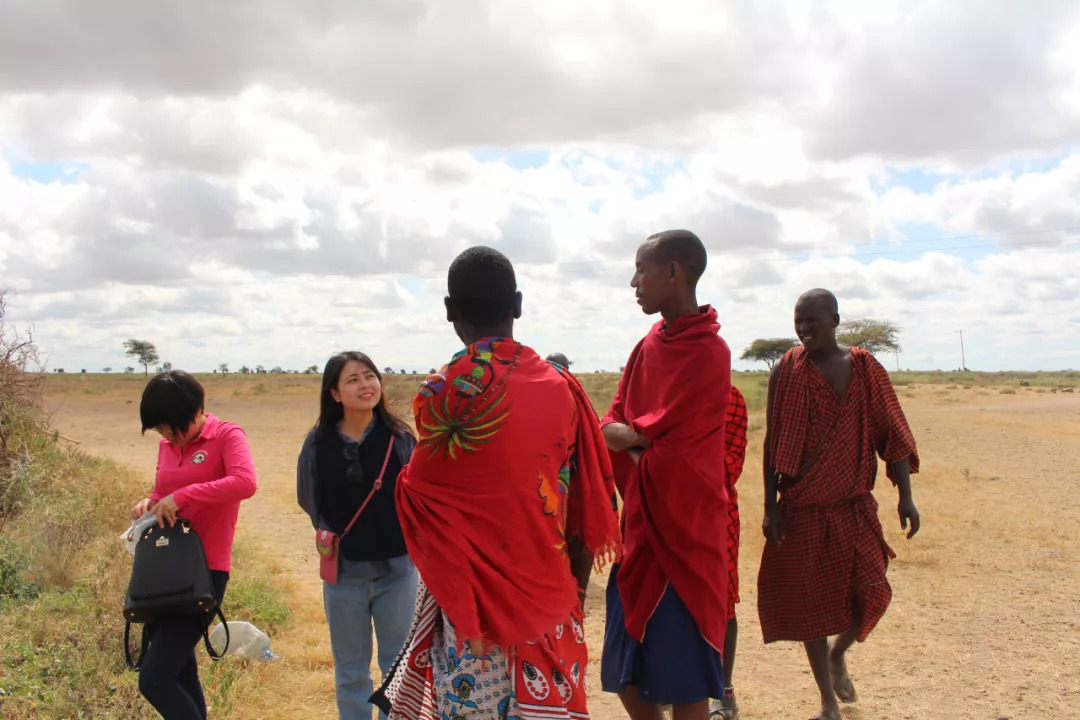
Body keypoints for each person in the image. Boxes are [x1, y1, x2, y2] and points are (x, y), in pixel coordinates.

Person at [373, 246, 621, 720]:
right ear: (518, 304)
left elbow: (419, 493)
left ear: (450, 311)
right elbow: (579, 499)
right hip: (551, 599)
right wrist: (573, 594)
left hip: (476, 616)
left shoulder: (442, 391)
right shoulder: (561, 386)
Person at [757, 289, 921, 720]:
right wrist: (771, 506)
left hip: (852, 505)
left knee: (872, 590)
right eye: (799, 320)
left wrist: (905, 496)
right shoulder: (788, 371)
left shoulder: (865, 368)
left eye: (813, 319)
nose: (804, 327)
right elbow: (772, 444)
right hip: (802, 507)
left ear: (835, 320)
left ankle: (838, 653)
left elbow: (893, 434)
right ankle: (828, 702)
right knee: (811, 607)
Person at [600, 229, 732, 720]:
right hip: (640, 533)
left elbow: (682, 458)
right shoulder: (647, 345)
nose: (634, 281)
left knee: (686, 679)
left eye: (641, 270)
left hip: (687, 535)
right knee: (625, 671)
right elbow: (613, 422)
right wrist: (636, 439)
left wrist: (629, 438)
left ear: (673, 273)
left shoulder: (709, 354)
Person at [297, 352, 419, 720]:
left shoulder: (400, 439)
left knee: (397, 669)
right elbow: (309, 498)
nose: (365, 385)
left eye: (370, 376)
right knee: (351, 672)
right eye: (353, 380)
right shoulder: (317, 443)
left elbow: (416, 500)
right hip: (344, 576)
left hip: (396, 572)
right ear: (334, 393)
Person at [129, 370, 257, 720]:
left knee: (154, 680)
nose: (168, 436)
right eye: (160, 430)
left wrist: (181, 497)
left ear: (197, 408)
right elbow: (161, 494)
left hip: (204, 572)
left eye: (172, 427)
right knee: (180, 673)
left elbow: (245, 483)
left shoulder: (228, 435)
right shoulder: (167, 445)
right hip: (163, 572)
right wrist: (149, 503)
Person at [709, 385, 748, 720]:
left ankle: (724, 690)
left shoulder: (730, 398)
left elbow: (728, 467)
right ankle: (674, 684)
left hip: (716, 512)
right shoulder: (655, 395)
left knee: (722, 599)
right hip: (663, 509)